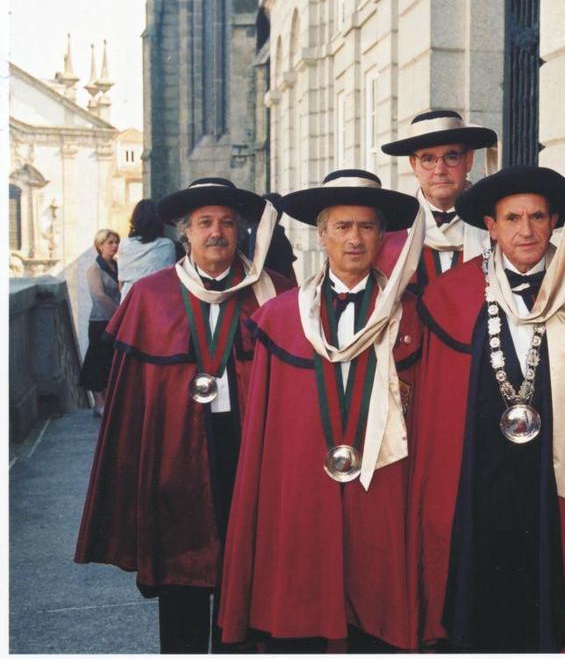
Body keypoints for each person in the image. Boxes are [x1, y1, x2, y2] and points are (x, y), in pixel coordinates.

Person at [407, 166, 565, 652]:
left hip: (558, 468)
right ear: (490, 226)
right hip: (479, 467)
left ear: (556, 221)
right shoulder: (451, 297)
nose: (526, 230)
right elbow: (438, 412)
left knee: (553, 568)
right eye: (512, 218)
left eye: (537, 216)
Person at [75, 178, 289, 653]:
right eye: (206, 224)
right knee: (182, 574)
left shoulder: (273, 294)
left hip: (250, 447)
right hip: (175, 453)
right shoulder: (151, 296)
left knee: (251, 578)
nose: (217, 233)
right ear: (185, 232)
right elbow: (132, 403)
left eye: (228, 224)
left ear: (241, 232)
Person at [217, 169, 424, 651]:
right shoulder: (281, 316)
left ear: (382, 236)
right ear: (321, 234)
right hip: (302, 484)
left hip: (384, 479)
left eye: (367, 227)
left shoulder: (412, 315)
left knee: (378, 609)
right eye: (342, 226)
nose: (355, 239)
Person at [379, 109, 496, 290]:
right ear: (413, 164)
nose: (439, 170)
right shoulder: (392, 236)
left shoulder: (494, 227)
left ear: (469, 160)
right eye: (428, 159)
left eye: (451, 157)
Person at [79, 228, 121, 416]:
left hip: (118, 320)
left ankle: (108, 401)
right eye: (110, 242)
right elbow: (99, 295)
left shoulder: (119, 266)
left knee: (111, 360)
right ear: (100, 245)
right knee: (97, 359)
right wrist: (119, 313)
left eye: (116, 242)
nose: (114, 246)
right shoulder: (93, 269)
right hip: (101, 321)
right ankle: (99, 402)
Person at [117, 198, 178, 296]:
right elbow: (169, 279)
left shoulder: (123, 245)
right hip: (156, 297)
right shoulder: (167, 245)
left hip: (129, 297)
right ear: (158, 219)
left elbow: (121, 282)